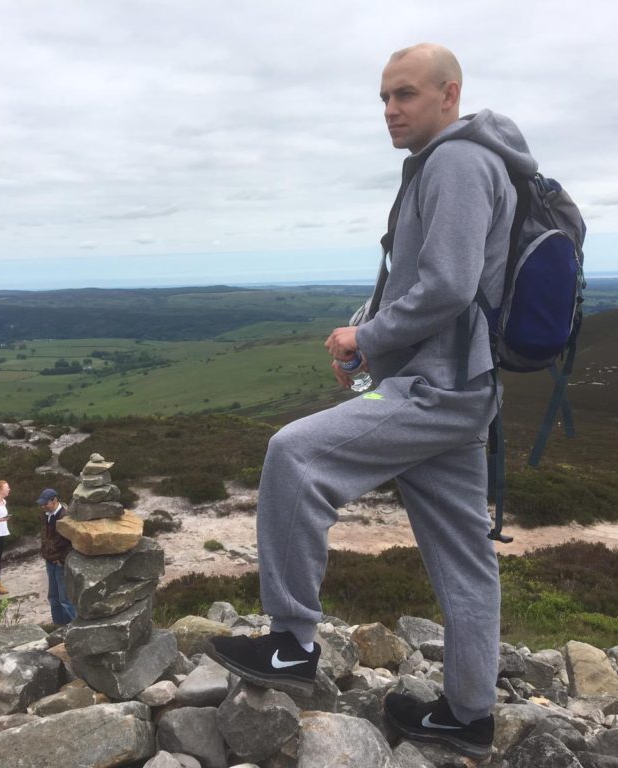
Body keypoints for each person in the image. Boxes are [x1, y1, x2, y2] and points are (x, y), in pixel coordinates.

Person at [206, 43, 538, 759]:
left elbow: (447, 285)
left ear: (450, 94)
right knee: (465, 556)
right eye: (384, 97)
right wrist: (370, 343)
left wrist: (372, 334)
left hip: (437, 385)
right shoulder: (477, 162)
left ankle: (292, 644)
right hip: (464, 383)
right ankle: (470, 713)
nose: (390, 111)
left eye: (407, 95)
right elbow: (429, 276)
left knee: (294, 456)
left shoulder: (455, 161)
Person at [36, 488, 76, 627]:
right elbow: (44, 536)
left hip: (60, 563)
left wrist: (62, 560)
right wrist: (45, 553)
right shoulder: (45, 515)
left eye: (45, 503)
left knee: (65, 598)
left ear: (54, 500)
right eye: (42, 504)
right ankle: (59, 625)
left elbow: (71, 542)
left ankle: (74, 626)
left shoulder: (65, 517)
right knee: (53, 596)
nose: (43, 506)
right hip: (49, 561)